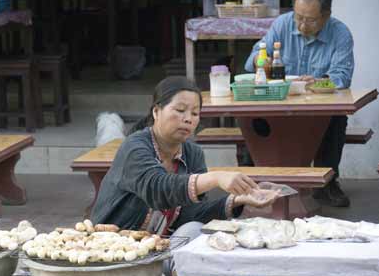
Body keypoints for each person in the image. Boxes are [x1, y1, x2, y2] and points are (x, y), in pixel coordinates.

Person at [91, 76, 278, 259]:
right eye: (180, 110)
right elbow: (158, 188)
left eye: (195, 113)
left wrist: (238, 199)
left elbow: (192, 213)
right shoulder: (135, 147)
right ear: (156, 112)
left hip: (156, 248)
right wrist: (215, 178)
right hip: (115, 252)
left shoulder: (192, 153)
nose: (188, 119)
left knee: (196, 231)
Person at [244, 0, 354, 207]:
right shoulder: (282, 24)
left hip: (318, 107)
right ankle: (248, 183)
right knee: (251, 116)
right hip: (278, 104)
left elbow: (342, 77)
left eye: (310, 21)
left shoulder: (340, 33)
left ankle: (327, 184)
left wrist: (320, 81)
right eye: (299, 18)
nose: (302, 26)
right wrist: (262, 60)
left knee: (337, 117)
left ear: (326, 15)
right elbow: (252, 63)